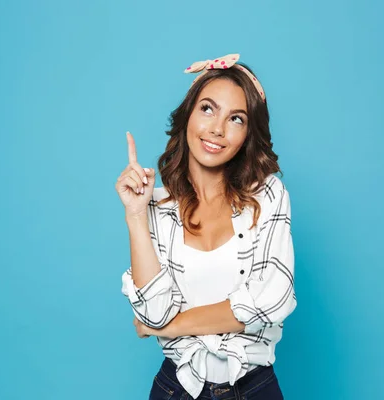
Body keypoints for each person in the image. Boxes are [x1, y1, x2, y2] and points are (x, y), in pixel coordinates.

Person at [115, 53, 296, 400]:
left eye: (237, 119)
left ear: (248, 133)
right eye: (208, 109)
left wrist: (172, 327)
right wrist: (136, 215)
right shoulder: (156, 206)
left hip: (253, 387)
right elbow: (154, 311)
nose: (217, 128)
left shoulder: (269, 195)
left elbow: (272, 299)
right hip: (177, 389)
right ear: (188, 115)